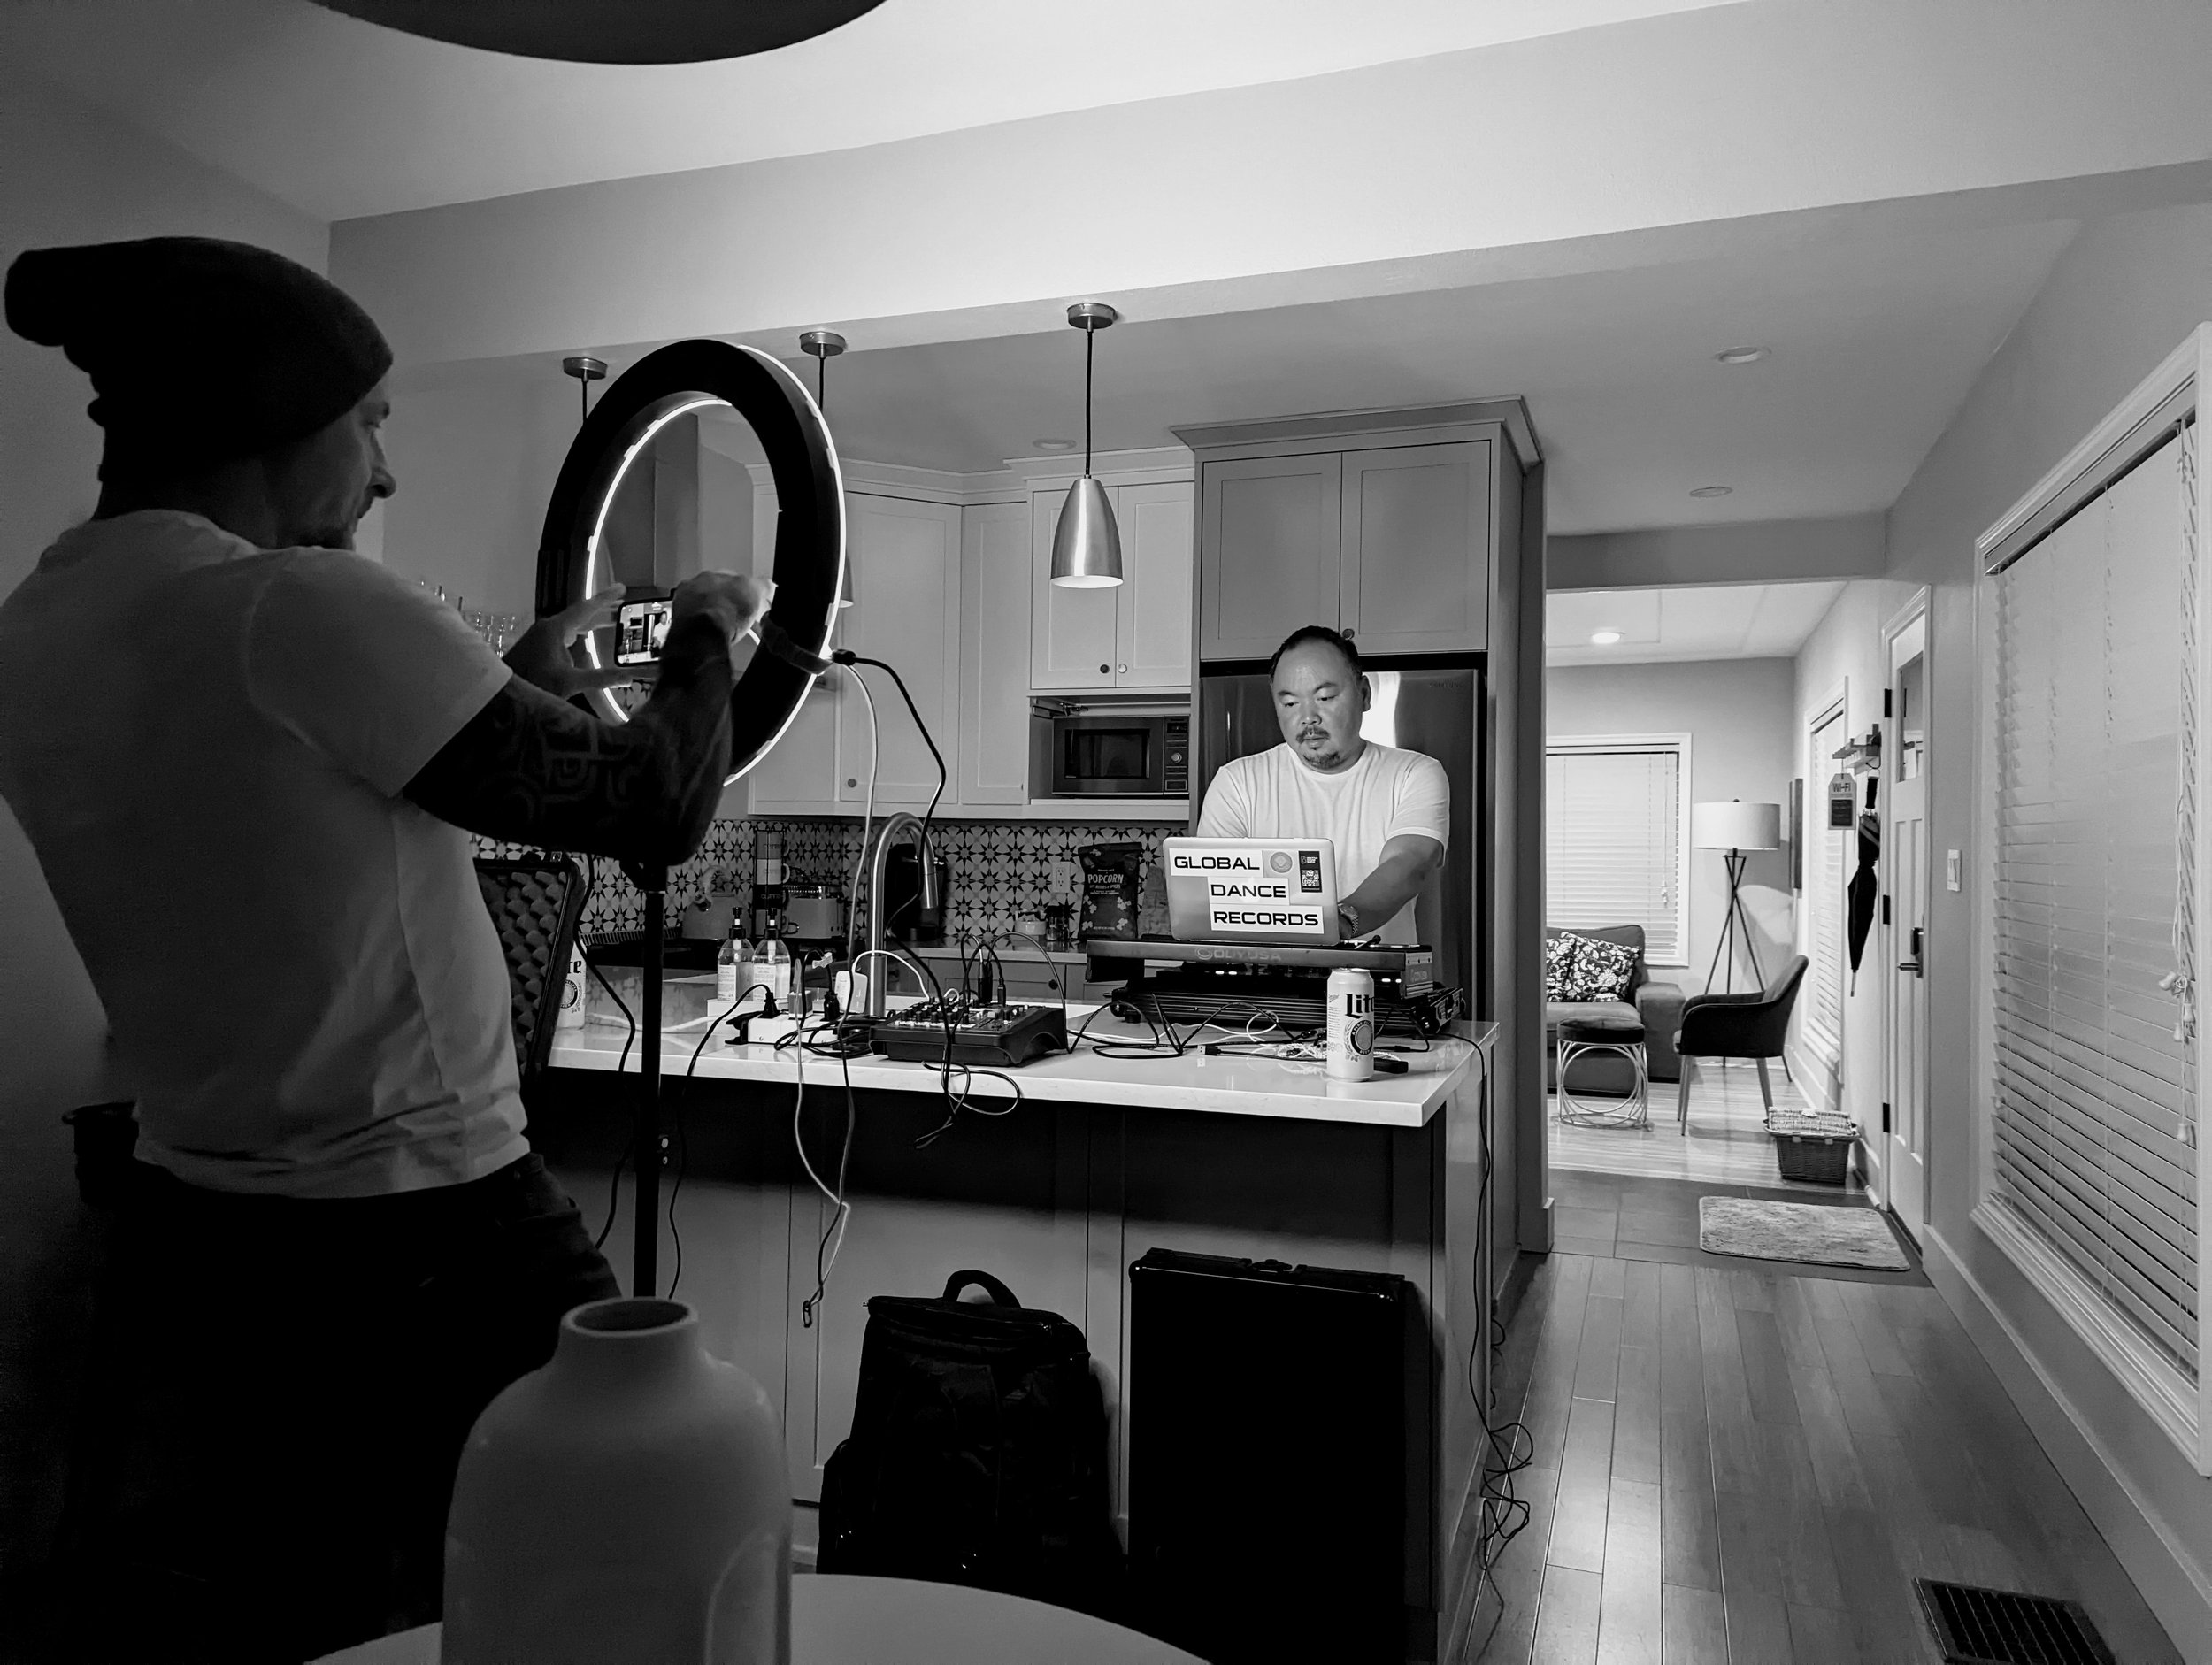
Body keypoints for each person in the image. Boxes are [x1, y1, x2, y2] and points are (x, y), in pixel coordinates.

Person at [0, 236, 770, 1662]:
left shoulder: (38, 629)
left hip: (201, 1229)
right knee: (632, 1544)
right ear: (270, 420)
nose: (386, 474)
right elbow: (656, 807)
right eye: (371, 425)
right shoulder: (294, 604)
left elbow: (276, 826)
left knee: (314, 1598)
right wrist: (712, 631)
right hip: (426, 1230)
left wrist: (507, 692)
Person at [1194, 625, 1448, 943]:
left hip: (1378, 984)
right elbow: (1212, 892)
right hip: (1265, 987)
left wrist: (1339, 922)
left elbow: (1409, 862)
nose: (1308, 718)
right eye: (1289, 704)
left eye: (1325, 697)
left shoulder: (1414, 773)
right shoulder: (1237, 783)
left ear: (1365, 694)